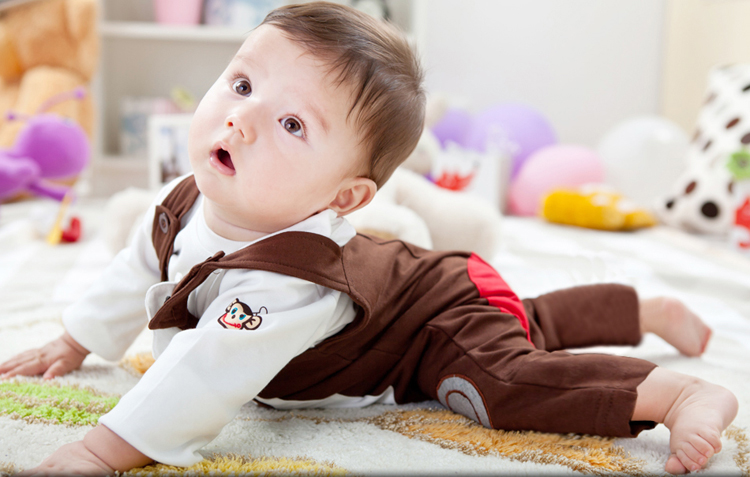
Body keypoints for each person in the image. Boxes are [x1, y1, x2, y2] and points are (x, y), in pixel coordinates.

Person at [0, 2, 737, 475]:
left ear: (345, 197)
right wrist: (75, 339)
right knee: (521, 319)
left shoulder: (292, 279)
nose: (240, 120)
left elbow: (205, 373)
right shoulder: (186, 198)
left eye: (293, 124)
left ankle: (673, 392)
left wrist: (103, 448)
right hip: (435, 282)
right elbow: (139, 264)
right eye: (242, 85)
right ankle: (640, 309)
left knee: (502, 380)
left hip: (433, 319)